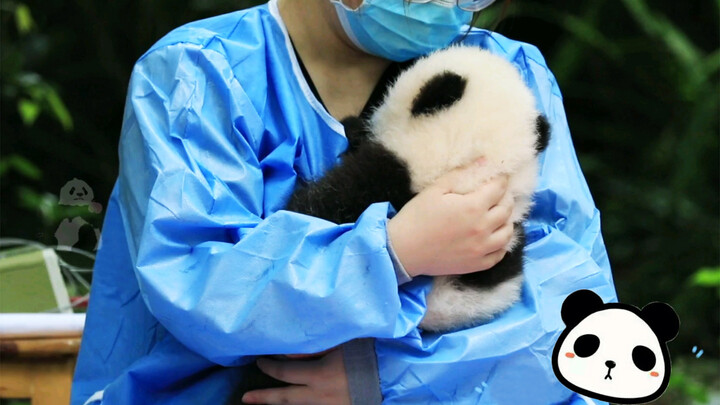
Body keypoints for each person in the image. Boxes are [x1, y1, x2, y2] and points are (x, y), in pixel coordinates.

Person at [71, 0, 617, 404]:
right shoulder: (198, 75)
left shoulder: (508, 77)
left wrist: (386, 378)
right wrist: (393, 250)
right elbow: (198, 287)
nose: (454, 8)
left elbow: (585, 320)